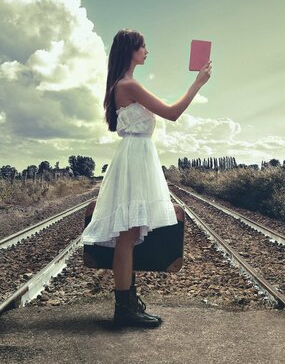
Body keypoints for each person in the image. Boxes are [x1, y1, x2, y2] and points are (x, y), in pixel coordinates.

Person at [82, 28, 212, 327]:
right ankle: (125, 309)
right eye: (143, 46)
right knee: (127, 236)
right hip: (136, 158)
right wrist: (198, 83)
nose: (147, 51)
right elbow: (173, 112)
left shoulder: (122, 84)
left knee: (128, 235)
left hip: (136, 156)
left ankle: (126, 305)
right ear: (131, 50)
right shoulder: (128, 85)